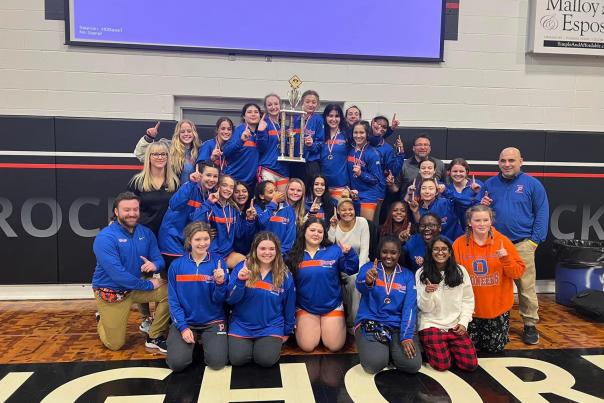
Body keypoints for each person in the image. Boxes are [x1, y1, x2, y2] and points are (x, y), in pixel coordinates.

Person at [481, 147, 549, 345]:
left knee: (526, 287)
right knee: (494, 285)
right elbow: (480, 213)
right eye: (503, 161)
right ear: (498, 162)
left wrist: (534, 241)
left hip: (522, 244)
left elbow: (542, 213)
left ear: (521, 161)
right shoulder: (490, 184)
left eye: (511, 160)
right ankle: (494, 320)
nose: (507, 164)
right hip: (495, 244)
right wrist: (482, 202)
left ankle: (529, 324)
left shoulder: (532, 185)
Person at [91, 192, 169, 352]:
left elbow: (159, 259)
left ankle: (154, 337)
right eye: (126, 210)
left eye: (135, 209)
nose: (132, 213)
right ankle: (102, 319)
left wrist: (155, 265)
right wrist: (148, 284)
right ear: (116, 212)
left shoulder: (146, 233)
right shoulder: (105, 238)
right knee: (115, 345)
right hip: (112, 291)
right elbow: (118, 276)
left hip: (136, 288)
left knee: (172, 292)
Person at [452, 205, 525, 353]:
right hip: (468, 312)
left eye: (486, 220)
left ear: (491, 221)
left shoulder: (503, 242)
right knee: (466, 352)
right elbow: (452, 276)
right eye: (477, 220)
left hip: (496, 311)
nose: (482, 224)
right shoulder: (458, 244)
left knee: (494, 351)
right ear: (469, 222)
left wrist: (506, 259)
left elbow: (517, 273)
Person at [128, 141, 179, 333]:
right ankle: (145, 318)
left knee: (167, 278)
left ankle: (162, 318)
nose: (160, 158)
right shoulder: (137, 181)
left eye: (163, 154)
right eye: (156, 154)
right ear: (148, 157)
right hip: (143, 237)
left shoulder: (175, 182)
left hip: (168, 238)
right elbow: (128, 207)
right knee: (144, 275)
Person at [287, 217, 359, 352]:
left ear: (324, 235)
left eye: (320, 232)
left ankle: (327, 327)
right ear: (304, 232)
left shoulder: (334, 251)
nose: (316, 234)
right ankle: (315, 328)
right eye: (312, 230)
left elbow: (351, 269)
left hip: (331, 306)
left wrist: (350, 253)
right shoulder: (294, 255)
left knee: (334, 346)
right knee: (307, 346)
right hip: (305, 307)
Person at [166, 222, 229, 372]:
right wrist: (182, 327)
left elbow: (221, 300)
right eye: (197, 239)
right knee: (177, 364)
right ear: (189, 240)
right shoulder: (176, 265)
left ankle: (205, 342)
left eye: (206, 239)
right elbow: (173, 301)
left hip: (213, 321)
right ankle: (188, 342)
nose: (202, 243)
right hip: (186, 322)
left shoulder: (219, 263)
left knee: (217, 363)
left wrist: (220, 283)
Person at [227, 232, 296, 367]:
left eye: (271, 249)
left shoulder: (285, 274)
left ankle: (263, 348)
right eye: (262, 248)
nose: (267, 253)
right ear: (255, 250)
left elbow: (290, 304)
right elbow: (230, 300)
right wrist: (240, 282)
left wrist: (287, 330)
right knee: (237, 360)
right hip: (241, 325)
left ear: (277, 251)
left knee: (266, 360)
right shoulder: (242, 267)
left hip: (270, 326)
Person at [355, 235, 422, 374]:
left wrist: (406, 336)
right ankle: (383, 351)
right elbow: (359, 286)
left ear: (399, 253)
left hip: (397, 327)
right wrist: (368, 281)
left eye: (393, 252)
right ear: (380, 252)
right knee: (373, 364)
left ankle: (389, 348)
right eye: (385, 252)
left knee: (412, 365)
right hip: (371, 322)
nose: (388, 256)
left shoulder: (407, 275)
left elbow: (409, 308)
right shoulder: (369, 268)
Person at [416, 237, 477, 372]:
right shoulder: (421, 272)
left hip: (454, 325)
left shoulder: (461, 271)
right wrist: (427, 293)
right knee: (442, 365)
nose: (440, 252)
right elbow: (424, 308)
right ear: (431, 252)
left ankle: (447, 347)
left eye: (444, 249)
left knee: (470, 365)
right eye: (436, 249)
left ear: (450, 252)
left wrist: (464, 323)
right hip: (431, 324)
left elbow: (468, 300)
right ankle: (437, 347)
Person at [158, 162, 219, 271]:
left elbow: (196, 220)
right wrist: (191, 183)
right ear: (200, 175)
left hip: (186, 242)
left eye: (215, 176)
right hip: (172, 241)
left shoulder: (208, 194)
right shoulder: (189, 186)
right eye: (208, 175)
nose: (212, 179)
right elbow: (174, 204)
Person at [191, 175, 256, 269]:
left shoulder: (234, 209)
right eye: (225, 185)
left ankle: (233, 283)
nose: (228, 189)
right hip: (209, 254)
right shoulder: (209, 204)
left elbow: (239, 233)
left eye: (231, 187)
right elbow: (195, 223)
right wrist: (209, 203)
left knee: (248, 265)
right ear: (217, 186)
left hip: (228, 254)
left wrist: (249, 220)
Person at [328, 197, 371, 330]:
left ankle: (354, 321)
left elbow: (365, 249)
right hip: (342, 265)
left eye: (350, 209)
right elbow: (329, 245)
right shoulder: (335, 225)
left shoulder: (362, 222)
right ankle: (344, 321)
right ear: (338, 212)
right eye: (343, 210)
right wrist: (333, 227)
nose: (347, 212)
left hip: (361, 263)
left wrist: (360, 271)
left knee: (354, 280)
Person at [134, 120, 201, 184]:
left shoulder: (201, 150)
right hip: (171, 193)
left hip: (193, 194)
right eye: (182, 132)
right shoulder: (168, 147)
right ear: (178, 133)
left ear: (194, 133)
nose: (186, 134)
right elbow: (141, 154)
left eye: (189, 131)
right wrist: (149, 138)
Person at [347, 121, 384, 222]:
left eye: (362, 132)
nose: (358, 136)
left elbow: (376, 179)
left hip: (368, 196)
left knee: (366, 229)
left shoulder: (373, 153)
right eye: (356, 132)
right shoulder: (351, 149)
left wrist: (360, 174)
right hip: (354, 195)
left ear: (367, 134)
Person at [223, 103, 267, 188]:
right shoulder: (239, 131)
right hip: (233, 181)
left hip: (250, 184)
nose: (253, 114)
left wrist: (261, 132)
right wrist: (241, 140)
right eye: (249, 112)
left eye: (256, 112)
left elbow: (263, 150)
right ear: (244, 116)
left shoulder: (261, 132)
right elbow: (226, 151)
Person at [254, 180, 298, 254]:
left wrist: (281, 253)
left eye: (276, 190)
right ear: (262, 196)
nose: (276, 194)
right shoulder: (257, 208)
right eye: (271, 192)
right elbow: (262, 222)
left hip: (282, 254)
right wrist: (273, 203)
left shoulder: (287, 208)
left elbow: (291, 234)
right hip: (263, 253)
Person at [291, 90, 324, 187]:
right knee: (295, 191)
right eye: (307, 101)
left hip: (311, 163)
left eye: (314, 102)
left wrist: (312, 145)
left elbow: (321, 143)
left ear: (317, 105)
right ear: (302, 102)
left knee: (310, 192)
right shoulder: (295, 118)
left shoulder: (319, 120)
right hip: (295, 161)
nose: (311, 104)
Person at [257, 94, 290, 192]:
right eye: (270, 105)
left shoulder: (283, 125)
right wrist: (261, 132)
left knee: (281, 203)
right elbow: (261, 148)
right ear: (266, 108)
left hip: (283, 171)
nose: (273, 107)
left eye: (276, 104)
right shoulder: (264, 124)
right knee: (268, 202)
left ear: (280, 105)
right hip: (268, 169)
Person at [442, 158, 483, 228]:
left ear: (466, 172)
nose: (458, 174)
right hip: (453, 230)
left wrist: (477, 193)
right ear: (449, 172)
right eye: (455, 171)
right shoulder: (446, 188)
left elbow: (477, 205)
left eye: (461, 171)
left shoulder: (478, 185)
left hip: (474, 227)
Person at [320, 104, 350, 199]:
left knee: (339, 213)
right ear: (325, 117)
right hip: (322, 186)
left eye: (337, 116)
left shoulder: (346, 135)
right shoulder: (320, 134)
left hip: (340, 185)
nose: (333, 119)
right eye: (330, 116)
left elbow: (366, 138)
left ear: (341, 118)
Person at [232, 181, 255, 255]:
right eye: (236, 192)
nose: (241, 194)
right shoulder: (228, 210)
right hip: (231, 252)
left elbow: (251, 236)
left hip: (249, 252)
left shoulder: (254, 210)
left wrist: (250, 220)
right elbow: (238, 234)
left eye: (244, 191)